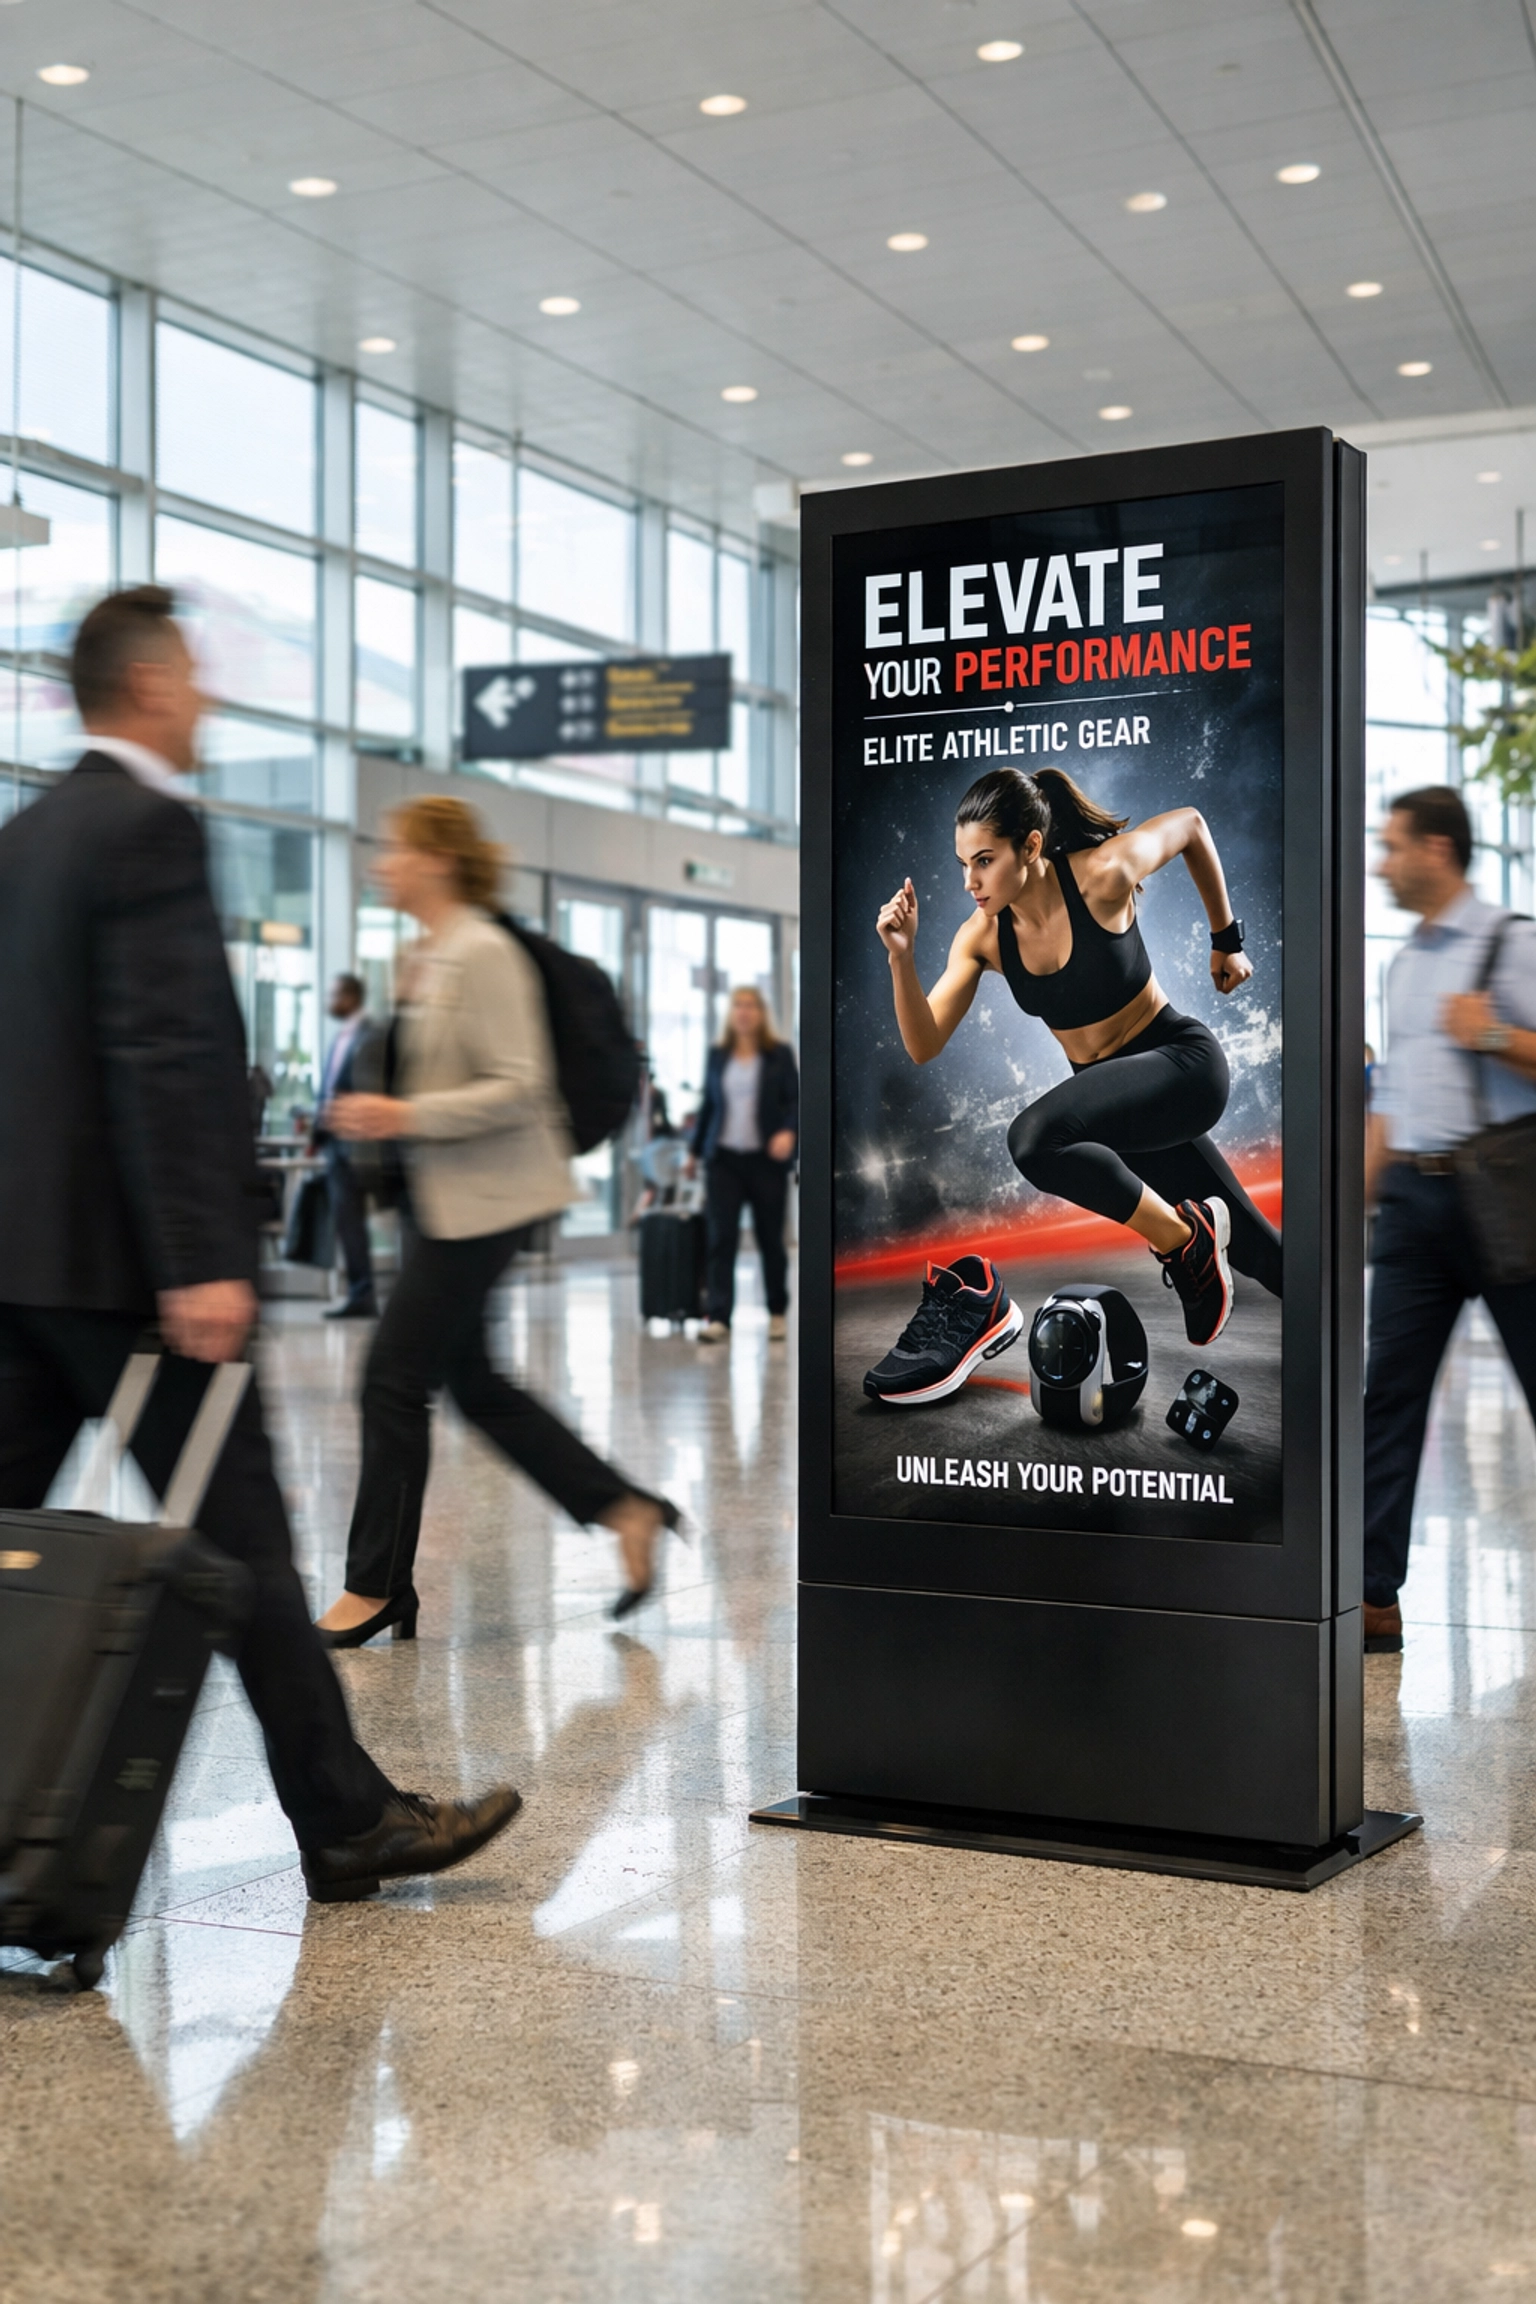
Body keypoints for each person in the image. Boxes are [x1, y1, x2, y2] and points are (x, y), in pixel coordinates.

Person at [0, 586, 521, 1904]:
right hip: (134, 1282)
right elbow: (166, 1054)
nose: (209, 700)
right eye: (193, 675)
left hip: (22, 1271)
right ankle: (347, 1822)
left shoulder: (25, 838)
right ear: (153, 685)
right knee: (247, 1552)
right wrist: (201, 1260)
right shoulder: (147, 828)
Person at [314, 796, 679, 1635]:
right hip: (445, 1201)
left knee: (391, 1381)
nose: (383, 864)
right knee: (472, 1385)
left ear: (439, 859)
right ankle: (626, 1509)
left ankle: (375, 1585)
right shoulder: (431, 953)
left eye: (397, 849)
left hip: (489, 1201)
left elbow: (521, 1086)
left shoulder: (481, 950)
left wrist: (401, 1115)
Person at [872, 767, 1279, 1387]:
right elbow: (924, 1042)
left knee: (1035, 1138)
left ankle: (1184, 1240)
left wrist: (1227, 940)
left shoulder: (1102, 875)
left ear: (1030, 847)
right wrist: (902, 957)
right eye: (962, 864)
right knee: (1257, 1250)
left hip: (1183, 1068)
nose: (970, 882)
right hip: (1122, 1114)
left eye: (984, 861)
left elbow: (1192, 826)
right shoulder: (982, 938)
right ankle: (1343, 1343)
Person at [1364, 785, 1536, 1653]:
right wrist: (1358, 1202)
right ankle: (1372, 1597)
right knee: (1388, 1395)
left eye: (1393, 846)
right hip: (1413, 1208)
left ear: (1439, 849)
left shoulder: (1513, 945)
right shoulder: (1401, 966)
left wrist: (1496, 1036)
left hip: (1503, 1200)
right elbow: (1392, 1099)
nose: (1381, 864)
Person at [690, 987, 799, 1343]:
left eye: (751, 1005)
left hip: (766, 1161)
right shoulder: (718, 1056)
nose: (744, 1012)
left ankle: (777, 1312)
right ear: (731, 1013)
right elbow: (709, 1105)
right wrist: (694, 1152)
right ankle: (719, 1317)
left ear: (761, 1013)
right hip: (723, 1160)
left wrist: (788, 1133)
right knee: (721, 1239)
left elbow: (798, 1102)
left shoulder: (779, 1055)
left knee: (771, 1239)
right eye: (738, 1005)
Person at [311, 972, 382, 1320]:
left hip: (357, 1148)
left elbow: (372, 1088)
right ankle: (360, 1293)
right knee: (346, 1223)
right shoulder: (341, 1037)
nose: (329, 1001)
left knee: (353, 1225)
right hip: (334, 1146)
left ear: (351, 997)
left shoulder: (371, 1035)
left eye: (334, 994)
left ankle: (363, 1294)